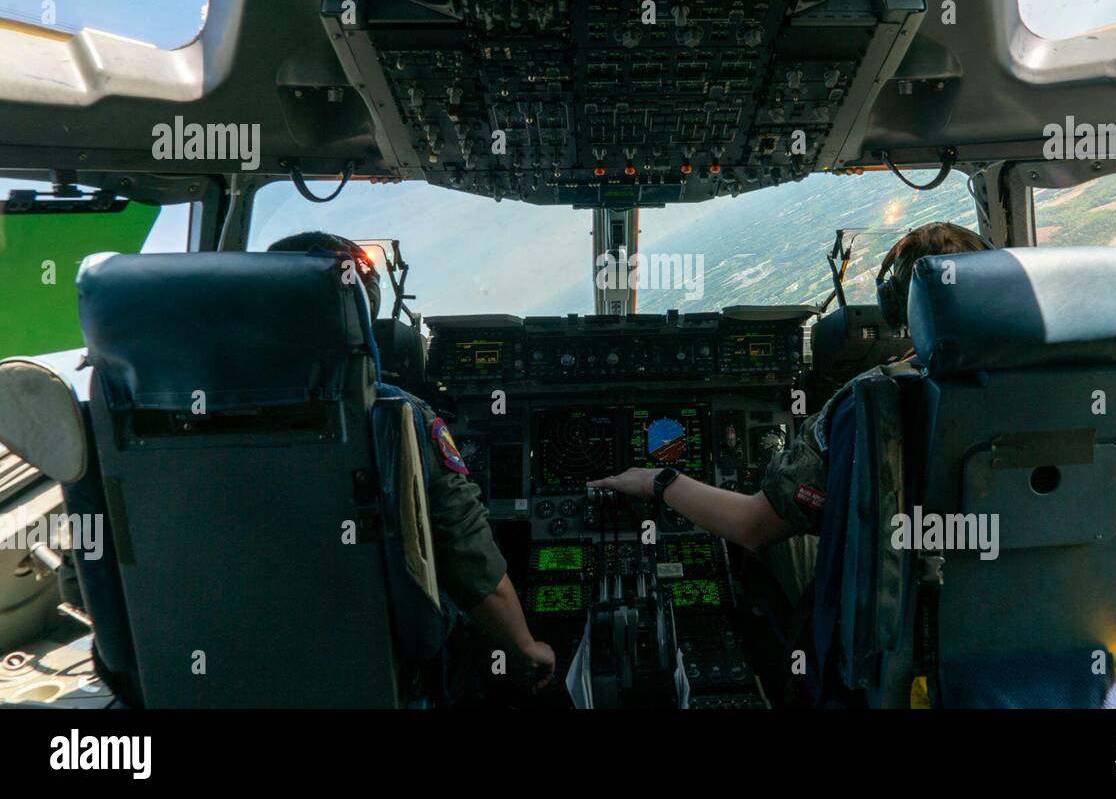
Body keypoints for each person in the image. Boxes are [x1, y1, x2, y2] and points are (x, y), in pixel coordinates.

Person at [589, 221, 989, 549]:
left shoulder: (869, 400)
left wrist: (656, 480)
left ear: (895, 306)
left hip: (903, 606)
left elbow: (752, 526)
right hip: (1012, 595)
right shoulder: (1044, 377)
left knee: (788, 541)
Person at [267, 232, 555, 686]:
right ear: (358, 308)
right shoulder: (394, 414)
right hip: (385, 663)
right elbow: (468, 556)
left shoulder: (172, 420)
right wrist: (524, 647)